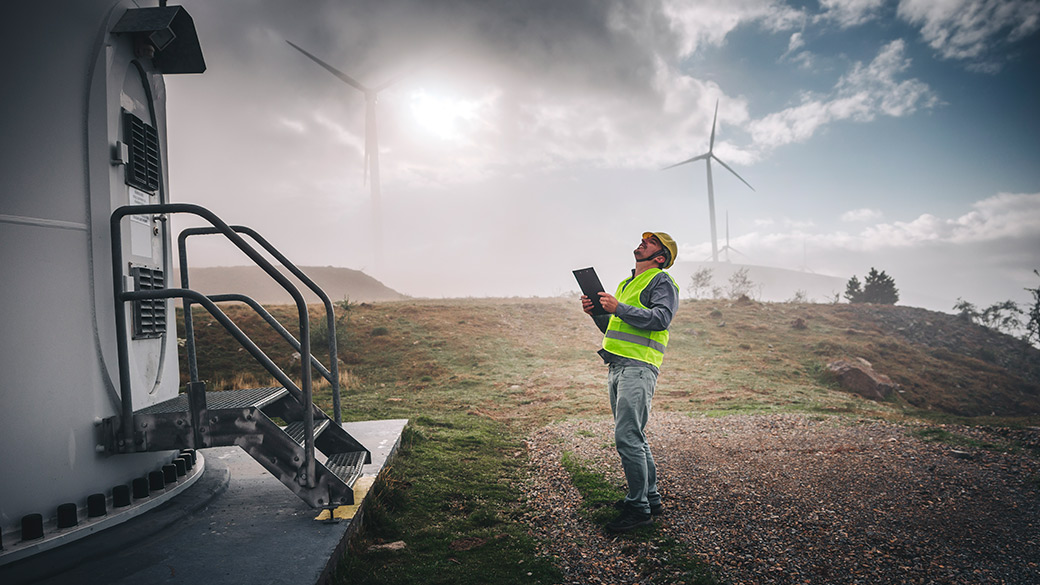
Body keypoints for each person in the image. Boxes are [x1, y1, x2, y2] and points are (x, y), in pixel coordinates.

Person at [581, 231, 679, 533]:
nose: (643, 242)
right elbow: (615, 326)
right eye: (643, 239)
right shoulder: (626, 284)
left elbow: (661, 319)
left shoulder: (661, 281)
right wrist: (597, 313)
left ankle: (638, 510)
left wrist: (618, 308)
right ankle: (650, 498)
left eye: (651, 242)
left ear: (660, 257)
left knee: (627, 437)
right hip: (618, 364)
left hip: (638, 367)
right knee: (635, 435)